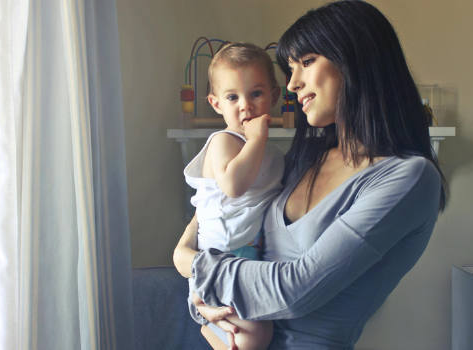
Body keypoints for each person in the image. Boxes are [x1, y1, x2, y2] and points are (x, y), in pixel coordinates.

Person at [173, 1, 449, 349]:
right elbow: (223, 204)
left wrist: (195, 265)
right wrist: (187, 252)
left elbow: (294, 291)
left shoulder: (408, 178)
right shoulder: (307, 157)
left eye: (306, 62)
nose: (292, 84)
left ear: (355, 59)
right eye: (290, 68)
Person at [182, 42, 286, 350]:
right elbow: (233, 186)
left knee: (261, 333)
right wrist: (256, 139)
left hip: (248, 253)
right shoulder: (223, 141)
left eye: (256, 93)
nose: (245, 105)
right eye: (232, 97)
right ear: (216, 104)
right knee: (251, 337)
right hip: (219, 256)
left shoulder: (273, 153)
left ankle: (209, 326)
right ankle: (207, 321)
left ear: (275, 96)